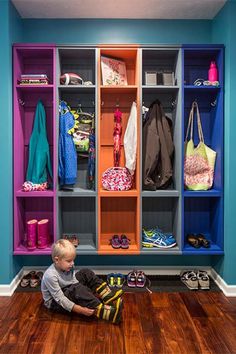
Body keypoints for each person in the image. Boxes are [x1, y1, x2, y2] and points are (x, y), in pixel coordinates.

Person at [41, 239, 123, 324]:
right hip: (55, 303)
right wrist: (81, 310)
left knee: (85, 272)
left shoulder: (68, 266)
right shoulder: (50, 275)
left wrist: (84, 291)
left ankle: (107, 295)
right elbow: (60, 299)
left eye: (73, 260)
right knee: (78, 290)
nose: (72, 263)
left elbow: (74, 282)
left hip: (67, 289)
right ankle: (104, 311)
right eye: (69, 261)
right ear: (57, 260)